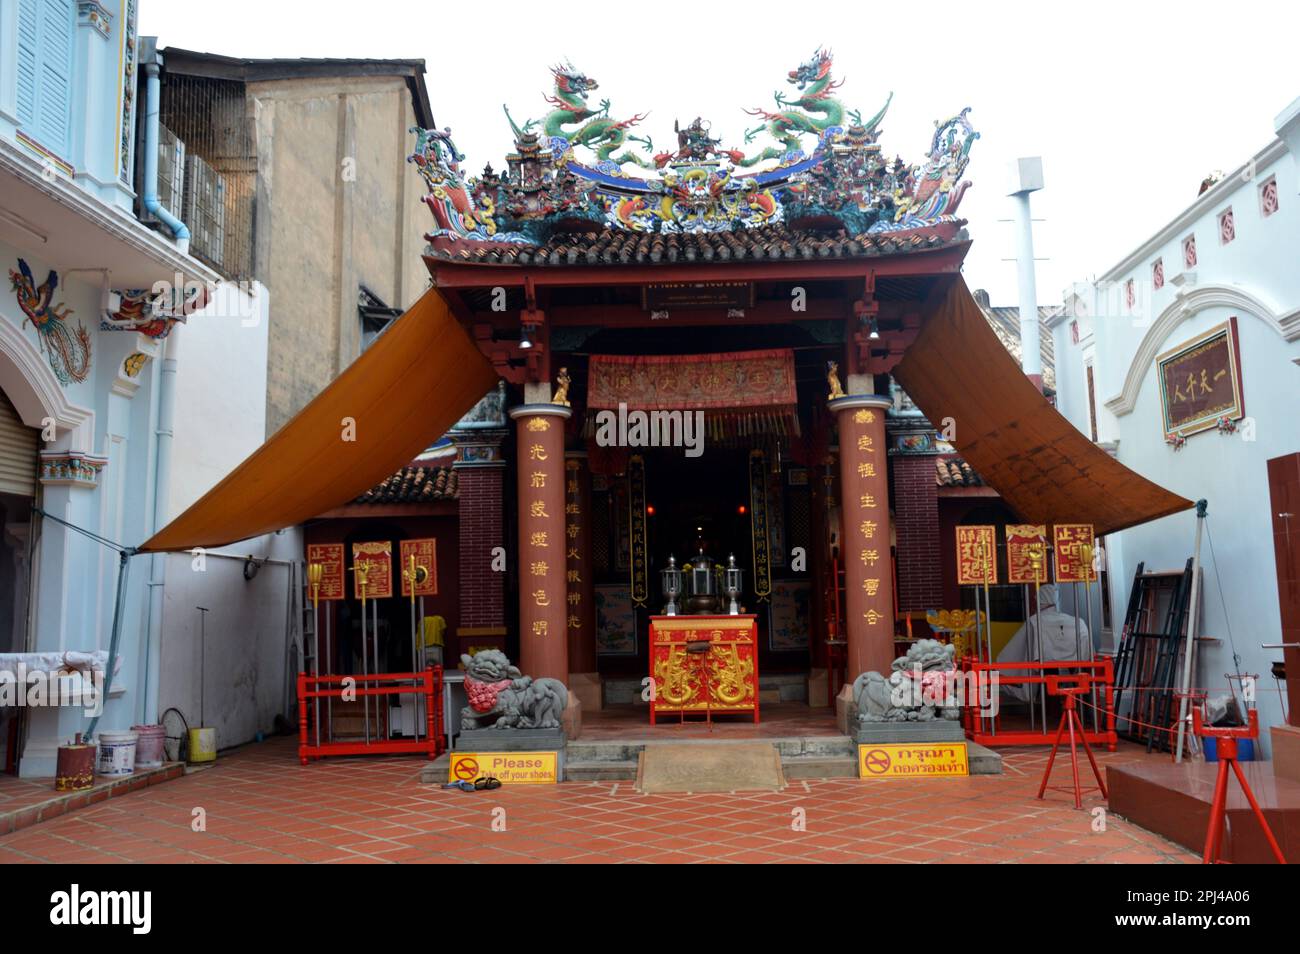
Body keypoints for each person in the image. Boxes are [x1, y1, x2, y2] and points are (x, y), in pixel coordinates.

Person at [996, 584, 1090, 703]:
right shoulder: (1076, 621)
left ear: (1039, 600)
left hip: (1046, 667)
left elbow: (1017, 648)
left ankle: (1049, 707)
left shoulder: (1034, 621)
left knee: (1045, 673)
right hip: (1075, 665)